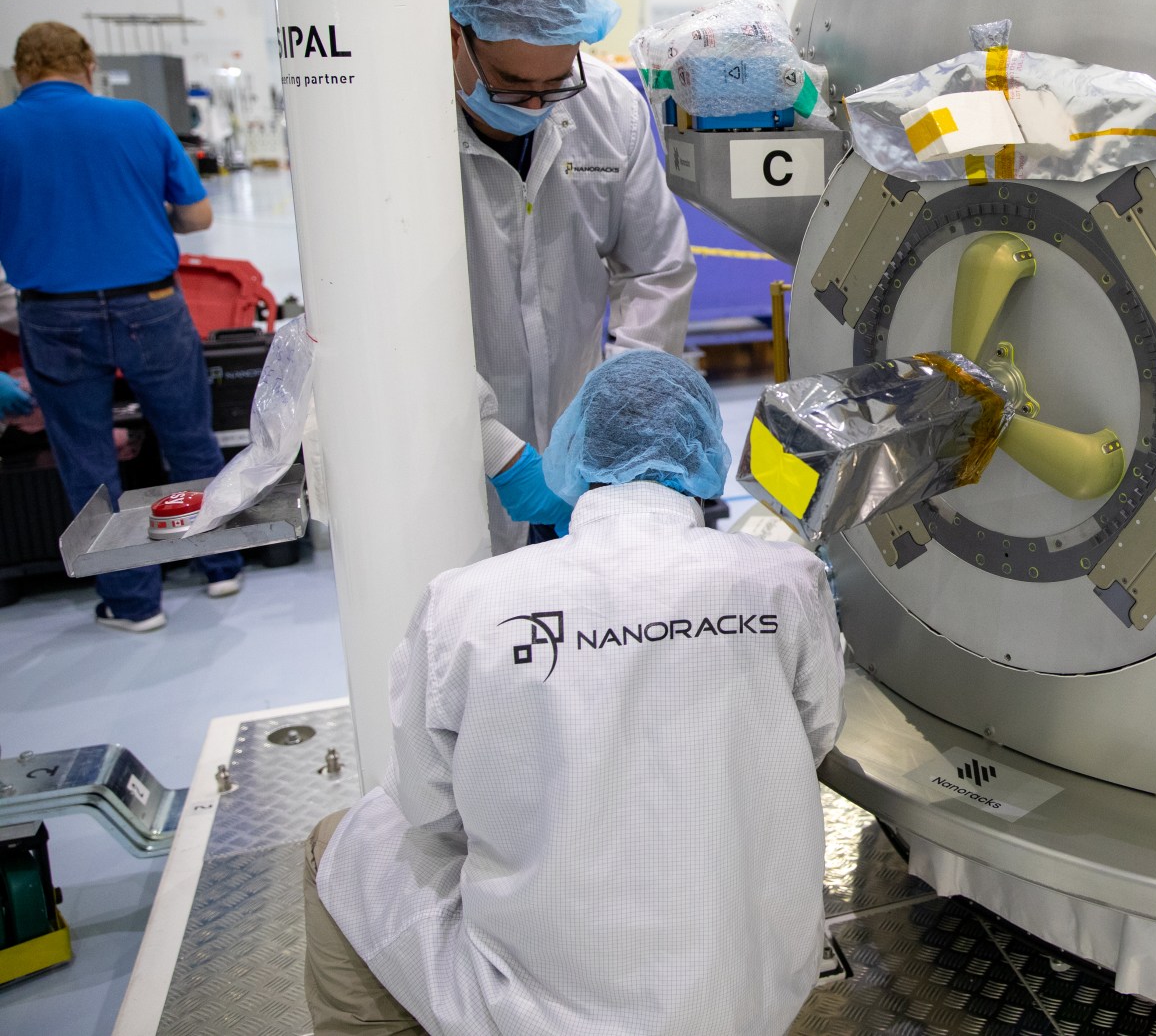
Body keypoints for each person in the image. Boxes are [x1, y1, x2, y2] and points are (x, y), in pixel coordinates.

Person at [304, 351, 843, 1036]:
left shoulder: (467, 605)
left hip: (541, 1015)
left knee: (338, 843)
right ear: (703, 449)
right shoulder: (784, 581)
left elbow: (424, 804)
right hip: (757, 997)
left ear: (572, 450)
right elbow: (817, 736)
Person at [448, 0, 697, 551]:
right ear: (455, 36)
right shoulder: (397, 128)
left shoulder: (608, 108)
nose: (535, 105)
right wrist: (497, 452)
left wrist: (618, 416)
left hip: (579, 442)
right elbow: (389, 328)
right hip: (445, 451)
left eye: (554, 83)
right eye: (511, 85)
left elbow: (655, 271)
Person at [0, 23, 243, 631]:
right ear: (88, 64)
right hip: (151, 304)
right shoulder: (138, 120)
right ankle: (219, 565)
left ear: (20, 71)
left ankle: (136, 604)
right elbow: (196, 214)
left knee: (86, 458)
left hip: (52, 312)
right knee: (188, 437)